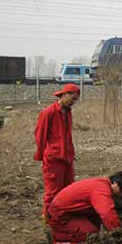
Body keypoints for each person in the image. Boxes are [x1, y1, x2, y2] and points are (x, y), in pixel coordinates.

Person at [34, 83, 80, 219]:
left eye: (75, 100)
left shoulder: (68, 112)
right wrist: (41, 155)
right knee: (52, 192)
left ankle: (62, 216)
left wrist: (70, 153)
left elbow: (67, 136)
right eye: (72, 99)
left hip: (67, 158)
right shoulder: (48, 113)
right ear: (64, 95)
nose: (73, 103)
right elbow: (40, 136)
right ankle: (48, 219)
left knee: (69, 189)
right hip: (53, 159)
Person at [47, 172, 122, 243]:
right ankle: (56, 235)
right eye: (121, 192)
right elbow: (107, 213)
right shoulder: (101, 189)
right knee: (92, 235)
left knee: (96, 222)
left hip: (71, 212)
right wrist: (118, 233)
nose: (119, 195)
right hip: (60, 216)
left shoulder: (101, 183)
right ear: (115, 183)